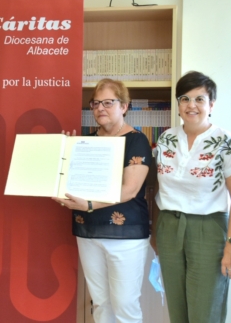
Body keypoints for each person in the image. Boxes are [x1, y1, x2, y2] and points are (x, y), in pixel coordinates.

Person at [52, 78, 152, 323]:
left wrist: (87, 205)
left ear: (124, 106)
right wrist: (65, 155)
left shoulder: (137, 140)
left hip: (125, 235)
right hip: (88, 232)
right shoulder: (84, 142)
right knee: (100, 304)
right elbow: (70, 185)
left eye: (108, 102)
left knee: (125, 306)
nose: (100, 108)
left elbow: (130, 190)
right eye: (95, 103)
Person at [151, 71, 231, 323]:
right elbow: (158, 190)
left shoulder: (225, 141)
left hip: (209, 228)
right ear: (178, 104)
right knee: (176, 308)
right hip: (169, 227)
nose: (191, 105)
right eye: (184, 99)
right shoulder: (165, 139)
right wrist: (155, 232)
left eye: (199, 99)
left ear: (211, 104)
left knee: (205, 310)